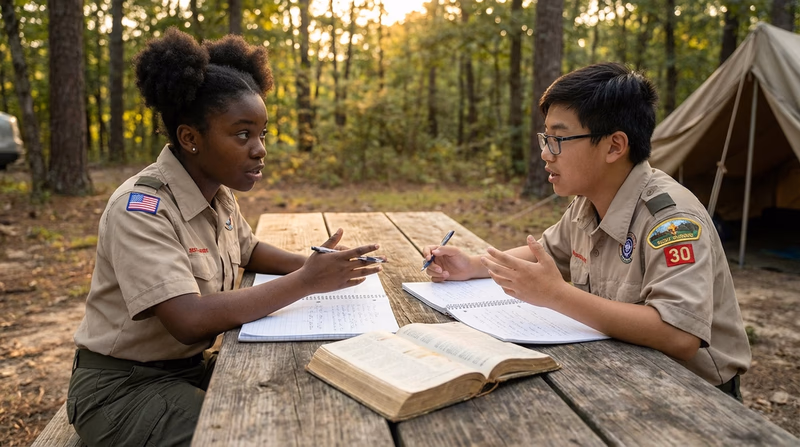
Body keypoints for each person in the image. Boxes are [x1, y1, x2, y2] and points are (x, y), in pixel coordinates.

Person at [67, 28, 383, 446]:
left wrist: (317, 265)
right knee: (249, 436)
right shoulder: (141, 208)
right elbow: (189, 319)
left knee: (315, 393)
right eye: (242, 134)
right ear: (190, 138)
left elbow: (248, 251)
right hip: (122, 389)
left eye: (262, 134)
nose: (260, 149)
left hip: (187, 369)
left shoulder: (218, 194)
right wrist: (307, 282)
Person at [423, 62, 750, 401]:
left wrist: (557, 295)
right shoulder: (588, 202)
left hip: (696, 393)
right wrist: (474, 265)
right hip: (623, 370)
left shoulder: (671, 220)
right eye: (545, 137)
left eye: (558, 139)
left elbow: (679, 336)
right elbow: (548, 252)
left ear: (613, 146)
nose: (545, 153)